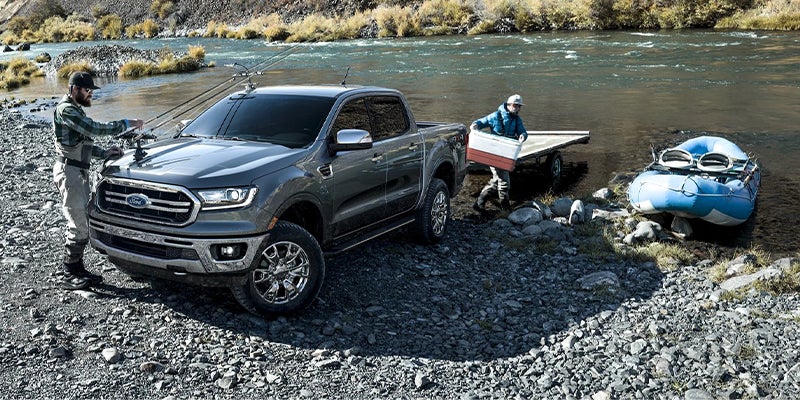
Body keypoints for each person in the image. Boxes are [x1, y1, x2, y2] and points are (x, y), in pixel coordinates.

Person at [53, 71, 144, 290]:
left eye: (91, 90)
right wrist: (125, 123)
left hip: (78, 172)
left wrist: (104, 153)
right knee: (78, 224)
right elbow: (93, 128)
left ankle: (77, 269)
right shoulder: (67, 110)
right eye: (87, 90)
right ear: (75, 89)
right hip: (70, 173)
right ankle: (68, 272)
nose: (90, 94)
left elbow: (84, 144)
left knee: (83, 220)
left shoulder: (76, 110)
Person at [470, 94, 528, 212]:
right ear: (509, 105)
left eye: (519, 106)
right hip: (494, 152)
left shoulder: (517, 119)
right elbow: (481, 122)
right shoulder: (495, 116)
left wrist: (523, 136)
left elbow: (522, 131)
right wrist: (474, 125)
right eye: (516, 106)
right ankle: (505, 207)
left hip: (508, 153)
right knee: (504, 181)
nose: (518, 108)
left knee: (497, 180)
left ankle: (479, 203)